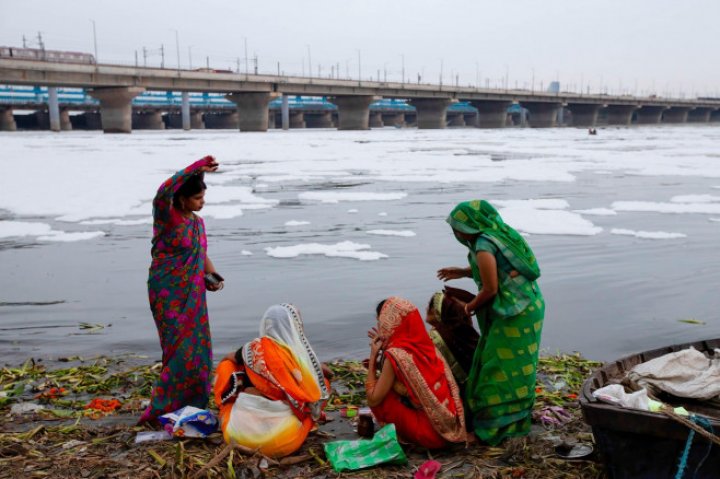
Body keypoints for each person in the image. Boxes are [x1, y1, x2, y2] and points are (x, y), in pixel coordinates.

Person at [437, 200, 544, 446]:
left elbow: (491, 289)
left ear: (472, 225)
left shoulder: (484, 244)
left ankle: (492, 430)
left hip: (516, 313)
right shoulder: (501, 234)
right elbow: (499, 269)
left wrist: (468, 307)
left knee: (498, 368)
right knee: (517, 366)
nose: (456, 233)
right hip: (529, 304)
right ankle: (514, 420)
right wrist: (463, 272)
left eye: (458, 227)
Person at [139, 156, 223, 424]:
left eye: (203, 197)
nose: (202, 202)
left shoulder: (197, 223)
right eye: (197, 198)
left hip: (194, 293)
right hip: (168, 293)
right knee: (178, 351)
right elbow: (164, 190)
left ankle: (193, 405)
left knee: (199, 350)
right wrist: (196, 167)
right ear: (182, 198)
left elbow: (201, 253)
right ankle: (161, 410)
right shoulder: (167, 216)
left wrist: (212, 275)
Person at [213, 304, 330, 458]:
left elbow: (228, 358)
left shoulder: (252, 348)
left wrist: (248, 371)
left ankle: (228, 402)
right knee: (322, 386)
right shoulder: (297, 356)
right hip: (282, 442)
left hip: (236, 436)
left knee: (226, 366)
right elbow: (324, 378)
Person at [365, 297, 466, 449]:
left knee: (382, 398)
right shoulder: (427, 346)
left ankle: (405, 436)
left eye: (381, 321)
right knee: (389, 385)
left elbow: (373, 399)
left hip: (429, 436)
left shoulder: (396, 355)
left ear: (388, 322)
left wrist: (373, 356)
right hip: (450, 428)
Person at [425, 287, 480, 389]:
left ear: (437, 311)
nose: (427, 309)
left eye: (430, 305)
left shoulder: (435, 338)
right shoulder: (466, 333)